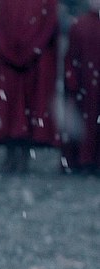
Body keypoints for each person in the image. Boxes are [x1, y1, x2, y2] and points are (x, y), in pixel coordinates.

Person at [0, 0, 58, 172]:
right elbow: (49, 28)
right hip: (34, 63)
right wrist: (33, 49)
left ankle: (14, 154)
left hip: (14, 63)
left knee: (11, 108)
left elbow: (1, 29)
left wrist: (9, 50)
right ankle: (21, 154)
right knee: (26, 107)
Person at [60, 0, 100, 174]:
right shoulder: (80, 26)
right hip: (86, 84)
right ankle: (87, 159)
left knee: (86, 122)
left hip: (85, 84)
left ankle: (83, 159)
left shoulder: (79, 26)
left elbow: (71, 58)